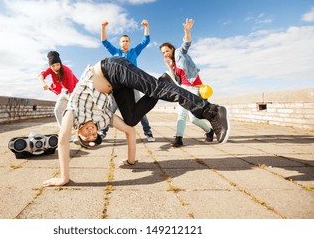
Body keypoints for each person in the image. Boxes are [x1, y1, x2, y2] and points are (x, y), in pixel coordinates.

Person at [42, 56, 230, 187]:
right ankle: (165, 80)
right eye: (95, 135)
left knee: (157, 90)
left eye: (87, 135)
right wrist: (131, 160)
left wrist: (64, 177)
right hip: (116, 86)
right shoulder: (103, 119)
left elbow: (62, 140)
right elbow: (130, 131)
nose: (92, 132)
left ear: (78, 133)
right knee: (131, 119)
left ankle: (212, 111)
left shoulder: (72, 114)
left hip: (111, 68)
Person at [99, 19, 155, 142]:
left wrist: (146, 26)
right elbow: (104, 42)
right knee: (111, 109)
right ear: (120, 43)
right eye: (123, 41)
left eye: (127, 41)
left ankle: (148, 132)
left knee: (139, 109)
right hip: (118, 86)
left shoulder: (134, 51)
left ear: (129, 43)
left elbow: (146, 41)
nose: (125, 43)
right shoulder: (116, 52)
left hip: (132, 84)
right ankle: (102, 132)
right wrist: (103, 28)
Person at [160, 18, 214, 147]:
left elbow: (186, 44)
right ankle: (208, 131)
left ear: (172, 49)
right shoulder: (172, 63)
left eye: (167, 50)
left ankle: (179, 138)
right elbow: (175, 80)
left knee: (188, 116)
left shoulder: (179, 53)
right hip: (184, 88)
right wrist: (169, 66)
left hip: (194, 86)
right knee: (190, 117)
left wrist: (187, 31)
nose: (165, 54)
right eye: (163, 53)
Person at [38, 51, 79, 127]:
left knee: (74, 111)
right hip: (64, 92)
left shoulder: (67, 71)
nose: (56, 68)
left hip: (75, 91)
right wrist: (43, 84)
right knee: (57, 111)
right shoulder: (50, 69)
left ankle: (78, 128)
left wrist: (70, 105)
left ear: (60, 63)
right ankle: (63, 131)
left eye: (57, 65)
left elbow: (71, 89)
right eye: (53, 66)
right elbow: (41, 75)